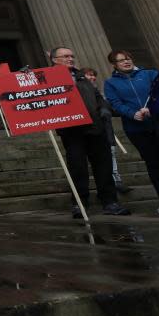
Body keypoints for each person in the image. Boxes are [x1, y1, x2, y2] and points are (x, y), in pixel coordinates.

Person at [50, 46, 130, 218]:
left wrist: (104, 109)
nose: (70, 59)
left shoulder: (81, 77)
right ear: (54, 60)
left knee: (104, 166)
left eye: (71, 55)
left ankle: (110, 202)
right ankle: (80, 204)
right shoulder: (48, 78)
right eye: (65, 56)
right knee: (78, 168)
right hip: (72, 132)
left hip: (95, 128)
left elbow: (98, 96)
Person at [104, 50, 159, 216]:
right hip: (139, 129)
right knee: (154, 164)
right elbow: (115, 104)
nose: (126, 62)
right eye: (121, 60)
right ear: (114, 65)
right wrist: (133, 113)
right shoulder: (111, 83)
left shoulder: (150, 74)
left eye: (128, 58)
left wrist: (153, 108)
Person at [83, 67, 131, 195]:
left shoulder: (102, 96)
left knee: (111, 158)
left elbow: (115, 111)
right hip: (90, 134)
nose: (93, 78)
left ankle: (117, 182)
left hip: (107, 133)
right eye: (89, 75)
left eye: (93, 75)